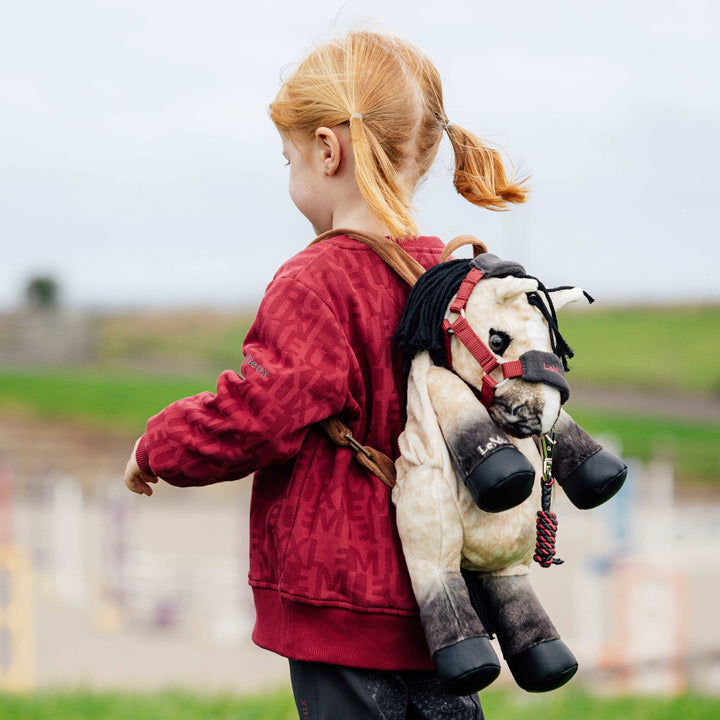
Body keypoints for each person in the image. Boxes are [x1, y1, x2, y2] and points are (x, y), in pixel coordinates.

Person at [123, 29, 526, 720]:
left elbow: (263, 411)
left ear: (327, 150)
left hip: (346, 599)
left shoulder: (316, 278)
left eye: (289, 159)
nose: (290, 176)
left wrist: (159, 444)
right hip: (446, 594)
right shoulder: (451, 277)